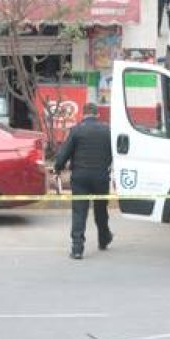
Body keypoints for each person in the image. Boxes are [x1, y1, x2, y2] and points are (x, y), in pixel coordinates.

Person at [53, 102, 113, 260]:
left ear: (83, 114)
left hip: (80, 177)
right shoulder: (107, 130)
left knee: (79, 212)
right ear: (97, 114)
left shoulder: (76, 130)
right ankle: (104, 239)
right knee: (101, 210)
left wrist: (57, 168)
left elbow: (64, 153)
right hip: (101, 176)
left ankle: (77, 249)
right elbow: (115, 152)